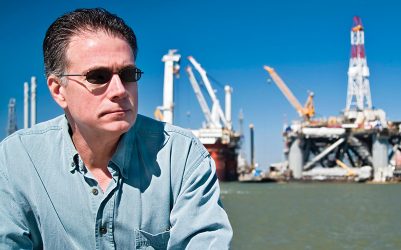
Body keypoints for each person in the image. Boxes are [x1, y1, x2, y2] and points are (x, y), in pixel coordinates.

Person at [0, 8, 232, 249]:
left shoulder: (182, 155)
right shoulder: (15, 160)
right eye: (98, 76)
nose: (120, 90)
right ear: (59, 90)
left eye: (128, 74)